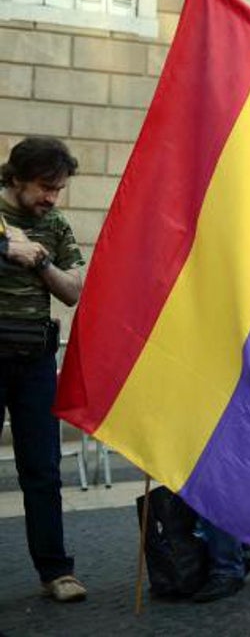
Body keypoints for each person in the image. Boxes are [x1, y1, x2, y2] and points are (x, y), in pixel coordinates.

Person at [0, 136, 86, 603]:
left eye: (58, 188)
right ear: (15, 179)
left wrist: (39, 259)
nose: (51, 197)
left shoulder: (53, 224)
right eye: (44, 187)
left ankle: (56, 571)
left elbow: (73, 290)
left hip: (35, 358)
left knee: (43, 470)